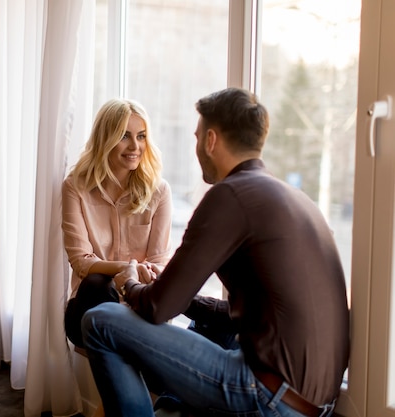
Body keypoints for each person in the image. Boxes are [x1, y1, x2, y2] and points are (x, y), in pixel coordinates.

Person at [80, 88, 350, 417]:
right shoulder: (295, 198)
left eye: (196, 138)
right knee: (211, 324)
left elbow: (157, 308)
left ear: (210, 140)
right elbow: (245, 314)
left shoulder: (229, 196)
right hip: (313, 404)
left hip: (267, 396)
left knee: (100, 320)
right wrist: (184, 296)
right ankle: (171, 410)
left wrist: (129, 282)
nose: (196, 149)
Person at [62, 98, 173, 348]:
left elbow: (158, 263)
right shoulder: (75, 188)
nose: (135, 146)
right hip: (90, 307)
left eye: (142, 136)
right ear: (106, 139)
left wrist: (132, 277)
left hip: (139, 307)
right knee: (96, 282)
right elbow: (81, 261)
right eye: (124, 135)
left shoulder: (159, 192)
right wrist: (130, 267)